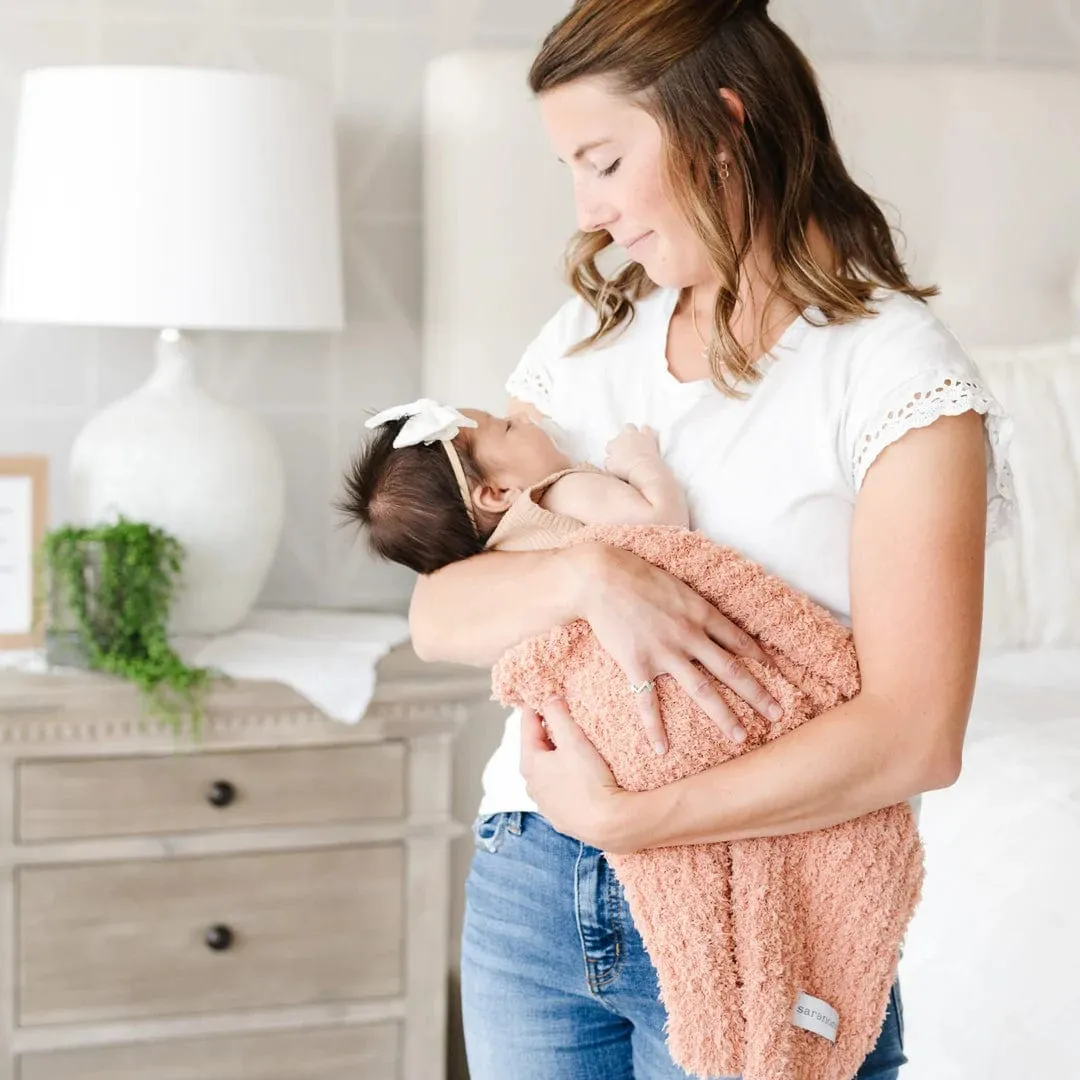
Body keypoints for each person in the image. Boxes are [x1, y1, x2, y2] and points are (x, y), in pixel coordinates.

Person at [409, 1, 1013, 1077]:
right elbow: (438, 612)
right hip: (530, 896)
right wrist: (595, 576)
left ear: (721, 125)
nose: (591, 212)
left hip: (758, 909)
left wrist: (638, 819)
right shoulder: (592, 342)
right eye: (571, 172)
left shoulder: (897, 380)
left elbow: (918, 734)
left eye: (603, 160)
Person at [338, 398, 689, 573]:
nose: (521, 417)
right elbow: (664, 525)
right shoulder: (561, 493)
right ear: (498, 493)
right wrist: (641, 461)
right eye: (507, 427)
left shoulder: (507, 553)